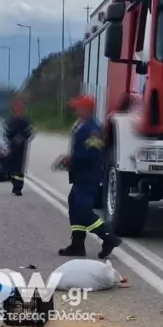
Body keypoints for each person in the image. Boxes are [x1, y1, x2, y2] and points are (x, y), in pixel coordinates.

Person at [58, 94, 122, 259]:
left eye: (78, 107)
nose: (75, 109)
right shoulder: (82, 124)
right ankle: (77, 244)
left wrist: (73, 159)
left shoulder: (93, 128)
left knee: (82, 209)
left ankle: (108, 237)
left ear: (87, 108)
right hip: (81, 174)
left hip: (89, 175)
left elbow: (93, 152)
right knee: (74, 204)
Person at [2, 99, 33, 196]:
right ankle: (12, 179)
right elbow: (6, 132)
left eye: (20, 108)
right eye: (17, 108)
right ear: (14, 109)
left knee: (19, 168)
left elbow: (29, 132)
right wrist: (12, 140)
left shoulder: (26, 121)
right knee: (10, 166)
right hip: (11, 146)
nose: (19, 110)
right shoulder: (10, 121)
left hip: (21, 147)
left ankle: (18, 187)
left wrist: (21, 139)